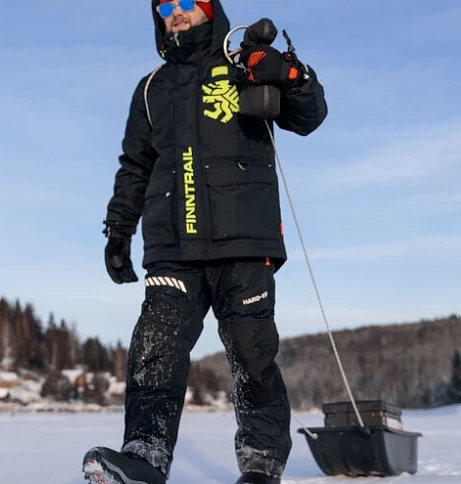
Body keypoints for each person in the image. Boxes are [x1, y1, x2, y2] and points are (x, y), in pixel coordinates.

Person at [83, 1, 327, 483]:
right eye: (165, 6)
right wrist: (118, 230)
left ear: (209, 8)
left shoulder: (244, 64)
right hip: (173, 244)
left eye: (186, 2)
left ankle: (260, 463)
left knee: (251, 351)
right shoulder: (152, 88)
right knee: (156, 347)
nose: (175, 12)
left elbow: (310, 114)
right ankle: (145, 455)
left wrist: (288, 71)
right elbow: (134, 165)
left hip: (244, 237)